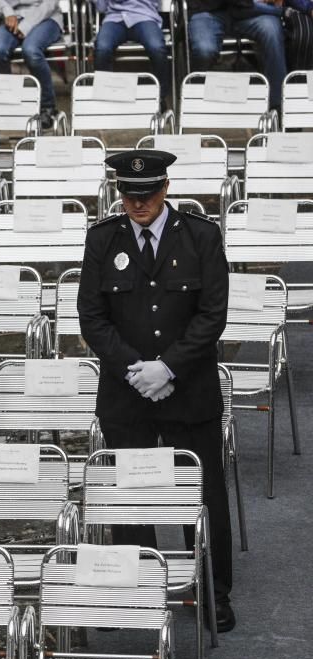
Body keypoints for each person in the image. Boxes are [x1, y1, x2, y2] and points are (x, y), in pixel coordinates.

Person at [77, 149, 235, 633]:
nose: (137, 204)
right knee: (131, 497)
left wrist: (167, 368)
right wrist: (135, 370)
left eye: (146, 194)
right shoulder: (103, 240)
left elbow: (212, 315)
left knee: (202, 495)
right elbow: (92, 317)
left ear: (165, 188)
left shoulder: (201, 236)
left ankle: (214, 592)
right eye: (128, 194)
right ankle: (133, 589)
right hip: (127, 393)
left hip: (188, 390)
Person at [187, 0, 287, 110]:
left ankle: (278, 106)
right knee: (204, 50)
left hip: (250, 10)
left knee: (271, 31)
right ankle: (196, 98)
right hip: (206, 10)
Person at [0, 0, 62, 129]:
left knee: (31, 50)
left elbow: (51, 3)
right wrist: (7, 11)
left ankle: (47, 107)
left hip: (46, 17)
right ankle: (8, 106)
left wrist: (27, 25)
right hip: (12, 16)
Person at [93, 0, 171, 105]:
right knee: (102, 48)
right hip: (115, 17)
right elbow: (101, 7)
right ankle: (105, 100)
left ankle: (160, 98)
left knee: (156, 47)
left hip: (144, 15)